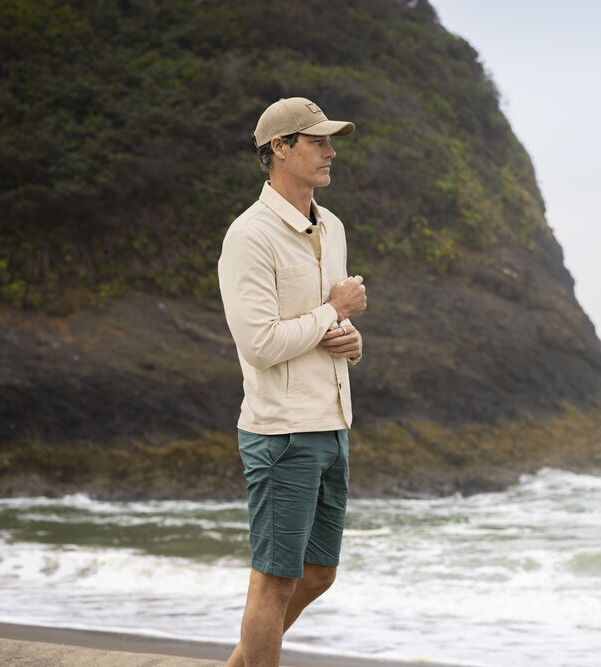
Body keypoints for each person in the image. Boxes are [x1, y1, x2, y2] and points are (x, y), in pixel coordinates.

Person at [218, 96, 366, 667]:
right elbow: (258, 345)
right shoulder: (250, 236)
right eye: (317, 141)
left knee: (318, 573)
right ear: (279, 148)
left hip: (332, 423)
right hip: (281, 433)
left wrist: (350, 339)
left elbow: (327, 328)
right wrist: (335, 311)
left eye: (331, 141)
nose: (331, 152)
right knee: (274, 581)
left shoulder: (332, 226)